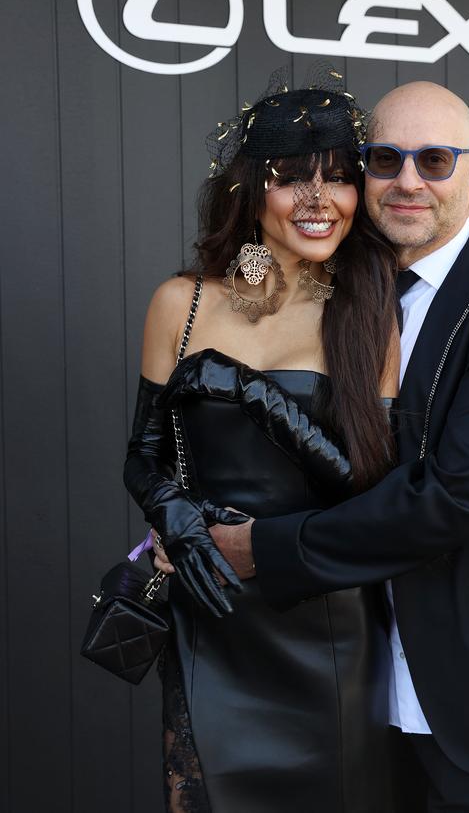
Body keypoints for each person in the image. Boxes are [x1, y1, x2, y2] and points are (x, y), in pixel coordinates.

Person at [211, 81, 469, 813]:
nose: (409, 180)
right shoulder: (339, 279)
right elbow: (244, 292)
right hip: (350, 674)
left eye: (435, 160)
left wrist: (261, 549)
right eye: (385, 158)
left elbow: (452, 495)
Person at [123, 68, 401, 813]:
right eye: (290, 180)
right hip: (211, 612)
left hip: (330, 625)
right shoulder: (179, 303)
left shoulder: (372, 311)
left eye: (340, 179)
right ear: (251, 190)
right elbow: (141, 453)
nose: (320, 201)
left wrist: (250, 391)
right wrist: (174, 518)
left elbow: (364, 485)